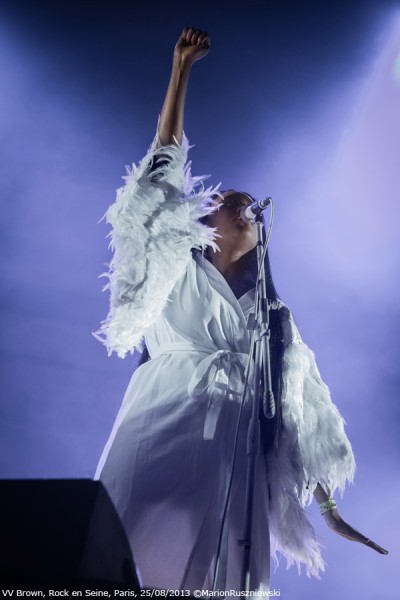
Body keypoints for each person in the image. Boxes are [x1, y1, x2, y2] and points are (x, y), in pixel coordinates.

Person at [94, 27, 388, 592]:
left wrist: (329, 512)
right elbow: (159, 174)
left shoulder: (274, 316)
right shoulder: (169, 268)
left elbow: (301, 416)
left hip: (236, 451)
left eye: (252, 203)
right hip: (164, 422)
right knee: (128, 557)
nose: (247, 204)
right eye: (231, 200)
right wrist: (180, 72)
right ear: (203, 221)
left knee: (219, 572)